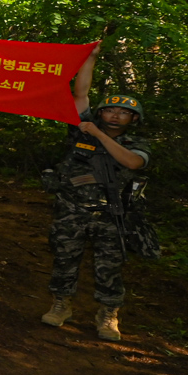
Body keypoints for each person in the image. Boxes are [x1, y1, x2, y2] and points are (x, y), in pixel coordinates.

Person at [40, 47, 152, 342]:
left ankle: (108, 315)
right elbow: (80, 96)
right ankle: (61, 304)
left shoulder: (136, 142)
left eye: (124, 112)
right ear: (101, 112)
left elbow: (132, 162)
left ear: (133, 119)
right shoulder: (81, 129)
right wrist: (89, 59)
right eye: (110, 110)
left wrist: (99, 134)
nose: (115, 115)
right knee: (64, 258)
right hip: (72, 209)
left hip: (111, 214)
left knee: (109, 265)